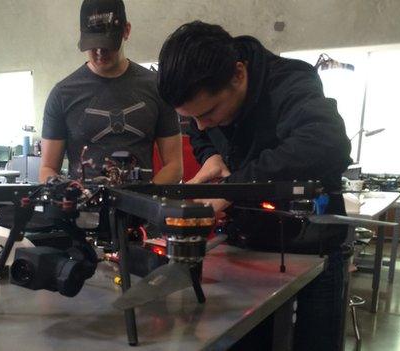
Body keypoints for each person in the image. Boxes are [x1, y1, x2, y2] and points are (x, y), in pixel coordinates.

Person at [157, 21, 352, 350]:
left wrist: (229, 188)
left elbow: (326, 142)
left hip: (313, 244)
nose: (201, 125)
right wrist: (211, 156)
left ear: (238, 74)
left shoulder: (290, 81)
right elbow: (200, 134)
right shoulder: (204, 107)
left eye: (209, 111)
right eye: (191, 118)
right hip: (247, 243)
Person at [39, 0, 183, 184]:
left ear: (126, 31)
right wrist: (62, 192)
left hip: (142, 208)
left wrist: (144, 201)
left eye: (107, 44)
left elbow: (174, 166)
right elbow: (47, 168)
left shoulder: (156, 88)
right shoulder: (62, 94)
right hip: (82, 210)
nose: (100, 51)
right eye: (93, 44)